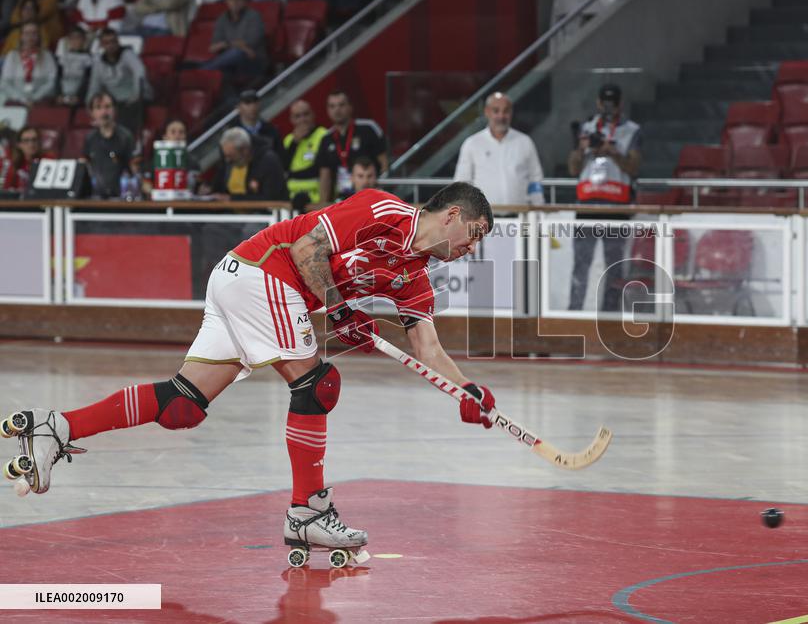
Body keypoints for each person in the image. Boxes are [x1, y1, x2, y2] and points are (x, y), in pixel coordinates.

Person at [2, 181, 497, 560]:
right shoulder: (383, 210)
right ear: (452, 215)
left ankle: (56, 426)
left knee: (182, 405)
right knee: (317, 385)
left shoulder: (415, 280)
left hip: (242, 283)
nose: (471, 249)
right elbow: (307, 251)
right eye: (473, 235)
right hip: (265, 271)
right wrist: (341, 312)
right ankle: (308, 512)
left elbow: (428, 348)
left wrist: (467, 391)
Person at [566, 83, 642, 312]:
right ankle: (574, 312)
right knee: (580, 264)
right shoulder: (586, 128)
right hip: (587, 204)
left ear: (620, 104)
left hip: (617, 205)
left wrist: (613, 151)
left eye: (613, 102)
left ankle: (609, 316)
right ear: (599, 103)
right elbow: (572, 168)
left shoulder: (631, 130)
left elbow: (634, 167)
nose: (609, 107)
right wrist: (582, 149)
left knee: (614, 267)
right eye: (605, 102)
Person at [454, 91, 544, 208]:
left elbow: (535, 179)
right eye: (496, 111)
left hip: (520, 217)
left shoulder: (525, 142)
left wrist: (539, 209)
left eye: (506, 111)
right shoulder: (472, 144)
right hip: (483, 220)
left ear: (511, 113)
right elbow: (462, 183)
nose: (501, 116)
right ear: (487, 112)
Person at [315, 90, 386, 203]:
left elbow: (384, 164)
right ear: (327, 110)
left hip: (370, 196)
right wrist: (323, 205)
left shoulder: (368, 129)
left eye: (341, 105)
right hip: (341, 199)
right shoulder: (326, 139)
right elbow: (325, 177)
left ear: (350, 107)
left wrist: (383, 194)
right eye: (332, 106)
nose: (337, 110)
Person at [86, 27, 150, 137]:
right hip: (115, 101)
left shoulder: (127, 54)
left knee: (125, 113)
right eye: (106, 43)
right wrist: (90, 106)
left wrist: (136, 95)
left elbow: (140, 73)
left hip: (135, 98)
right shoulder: (99, 63)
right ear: (101, 45)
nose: (110, 45)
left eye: (113, 41)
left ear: (118, 42)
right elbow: (94, 86)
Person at [81, 91, 141, 198]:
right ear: (92, 113)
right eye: (98, 107)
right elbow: (84, 165)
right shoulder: (90, 138)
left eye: (107, 107)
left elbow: (134, 169)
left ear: (114, 110)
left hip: (121, 196)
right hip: (95, 197)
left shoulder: (126, 137)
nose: (104, 112)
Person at [201, 0, 267, 79]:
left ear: (245, 1)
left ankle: (203, 72)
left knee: (236, 53)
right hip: (228, 63)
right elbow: (213, 47)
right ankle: (204, 72)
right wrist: (240, 46)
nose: (235, 2)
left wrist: (226, 44)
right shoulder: (222, 18)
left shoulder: (254, 16)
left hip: (253, 62)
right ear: (227, 1)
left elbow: (251, 43)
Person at [206, 126, 287, 200]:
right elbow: (217, 190)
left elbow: (271, 199)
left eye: (231, 156)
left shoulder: (269, 161)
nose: (227, 160)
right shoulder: (229, 162)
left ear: (245, 150)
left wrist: (232, 199)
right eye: (226, 156)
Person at [0, 21, 57, 105]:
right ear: (21, 36)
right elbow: (5, 83)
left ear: (38, 36)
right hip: (15, 102)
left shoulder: (47, 56)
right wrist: (21, 99)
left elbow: (51, 82)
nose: (30, 36)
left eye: (34, 33)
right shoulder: (12, 56)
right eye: (27, 33)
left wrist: (34, 98)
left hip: (40, 103)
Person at [283, 99, 326, 205]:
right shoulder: (288, 140)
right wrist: (294, 143)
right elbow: (283, 168)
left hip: (315, 199)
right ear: (291, 119)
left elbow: (318, 169)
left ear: (313, 115)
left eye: (306, 114)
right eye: (297, 116)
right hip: (291, 200)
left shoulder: (324, 135)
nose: (302, 120)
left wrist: (291, 174)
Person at [1, 125, 52, 193]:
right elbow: (5, 188)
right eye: (26, 140)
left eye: (34, 140)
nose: (31, 144)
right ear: (19, 144)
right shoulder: (10, 161)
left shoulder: (49, 160)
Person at [55, 25, 91, 107]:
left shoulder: (88, 59)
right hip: (63, 96)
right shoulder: (63, 58)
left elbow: (88, 80)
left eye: (78, 38)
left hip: (79, 97)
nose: (75, 41)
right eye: (72, 38)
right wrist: (58, 94)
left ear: (84, 40)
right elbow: (57, 77)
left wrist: (79, 96)